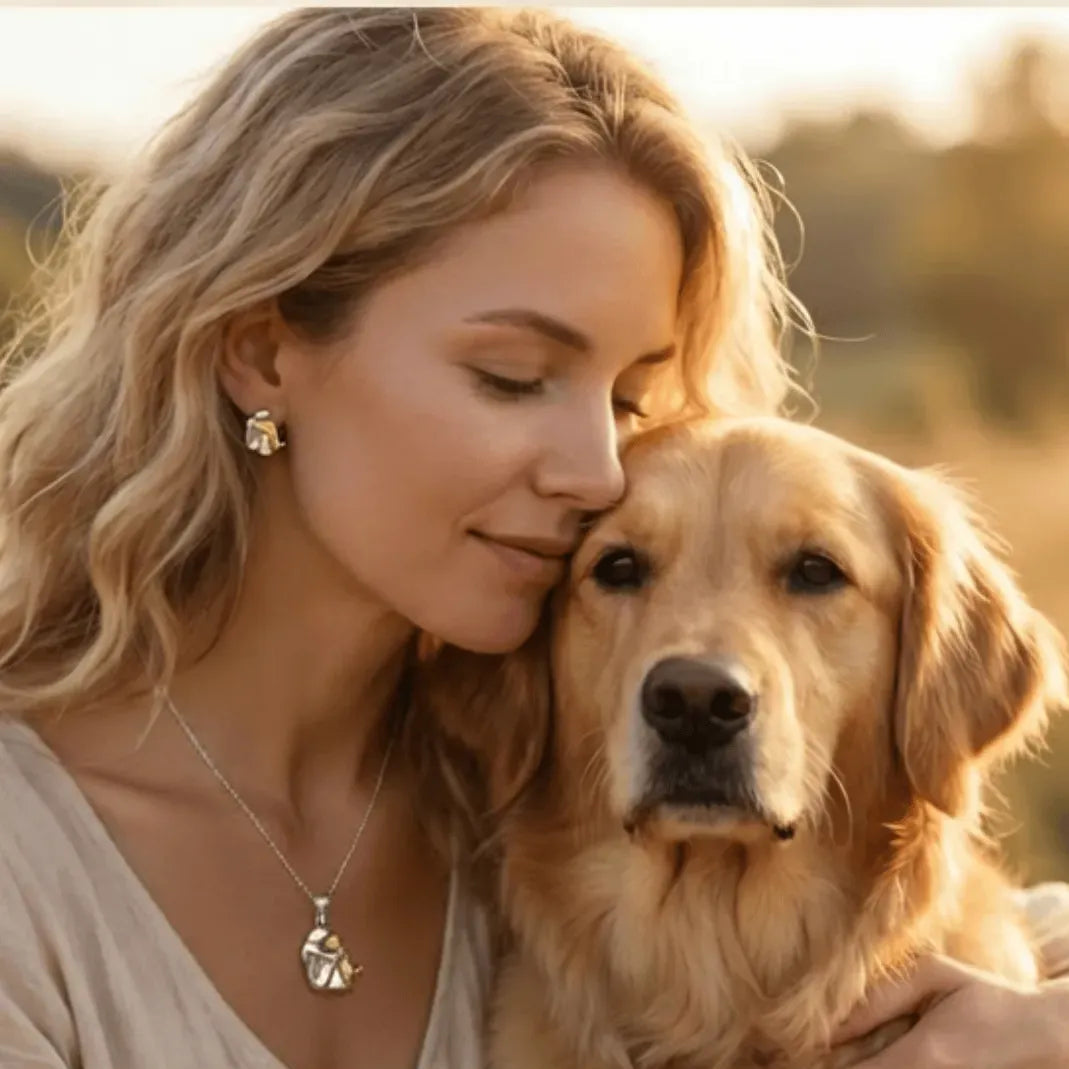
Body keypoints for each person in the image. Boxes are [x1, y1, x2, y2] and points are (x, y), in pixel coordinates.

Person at [0, 8, 1064, 1069]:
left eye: (632, 397)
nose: (597, 470)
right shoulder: (29, 876)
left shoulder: (515, 778)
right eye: (511, 377)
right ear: (262, 352)